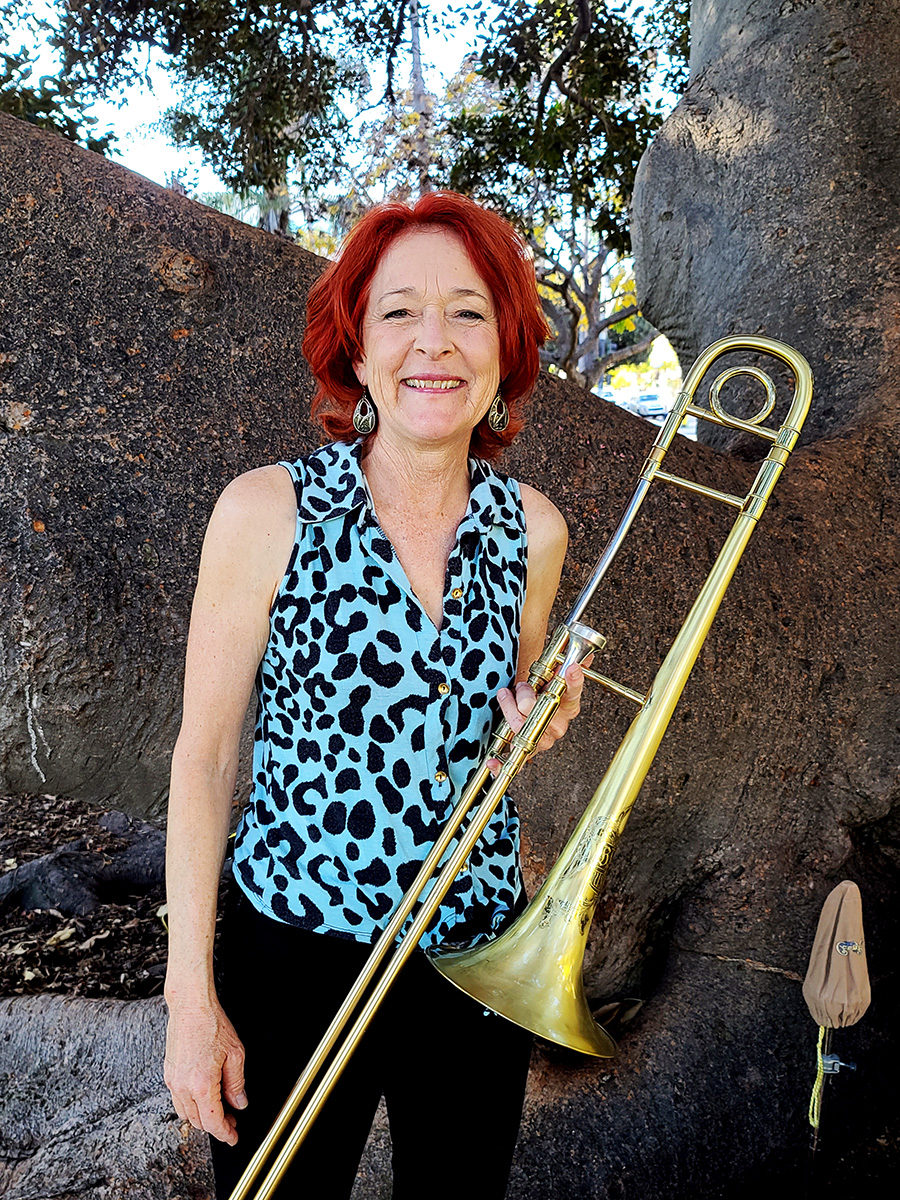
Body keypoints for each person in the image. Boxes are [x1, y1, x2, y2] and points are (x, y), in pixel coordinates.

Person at [163, 190, 587, 1200]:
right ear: (357, 351)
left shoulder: (536, 530)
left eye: (468, 312)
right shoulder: (266, 511)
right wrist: (189, 1000)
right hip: (295, 953)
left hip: (478, 956)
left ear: (505, 348)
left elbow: (503, 735)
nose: (433, 341)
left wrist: (544, 723)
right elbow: (205, 759)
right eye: (399, 312)